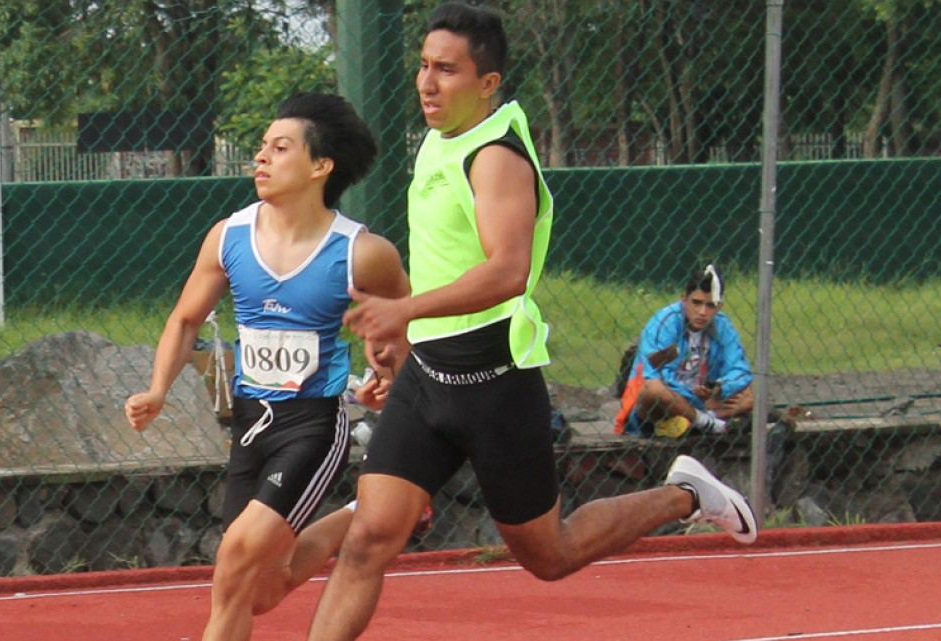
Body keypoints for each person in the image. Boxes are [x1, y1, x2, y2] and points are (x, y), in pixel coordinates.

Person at [305, 5, 758, 640]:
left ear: (487, 83)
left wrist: (403, 310)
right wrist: (405, 336)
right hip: (428, 381)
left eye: (446, 70)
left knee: (550, 554)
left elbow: (508, 271)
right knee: (366, 541)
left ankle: (685, 493)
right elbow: (445, 259)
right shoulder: (439, 138)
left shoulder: (496, 158)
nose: (427, 83)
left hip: (494, 386)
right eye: (423, 66)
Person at [124, 91, 410, 641]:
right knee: (258, 591)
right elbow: (186, 320)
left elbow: (405, 323)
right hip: (250, 423)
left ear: (320, 166)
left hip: (313, 427)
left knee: (233, 556)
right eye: (262, 147)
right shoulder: (229, 236)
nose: (260, 157)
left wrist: (389, 375)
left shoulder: (362, 252)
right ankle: (360, 513)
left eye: (280, 148)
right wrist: (158, 389)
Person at [615, 265, 755, 438]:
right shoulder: (665, 322)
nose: (702, 312)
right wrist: (697, 399)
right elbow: (656, 375)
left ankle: (694, 420)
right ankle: (708, 422)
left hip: (703, 398)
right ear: (684, 300)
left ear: (719, 306)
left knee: (749, 392)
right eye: (696, 303)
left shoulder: (723, 325)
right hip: (667, 401)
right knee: (654, 389)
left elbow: (740, 370)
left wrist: (719, 388)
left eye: (710, 305)